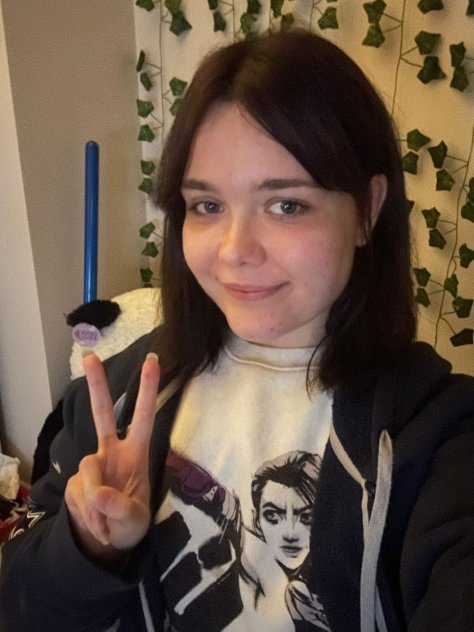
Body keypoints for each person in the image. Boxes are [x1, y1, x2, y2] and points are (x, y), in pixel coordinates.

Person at [0, 29, 473, 632]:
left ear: (368, 210)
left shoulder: (437, 435)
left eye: (285, 205)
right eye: (207, 206)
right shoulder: (123, 393)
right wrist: (90, 547)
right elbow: (19, 605)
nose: (233, 251)